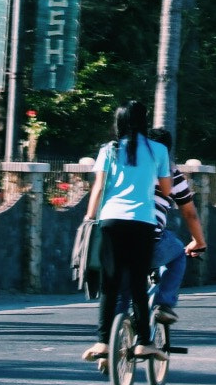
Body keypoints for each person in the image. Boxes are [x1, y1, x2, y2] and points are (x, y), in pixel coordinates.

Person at [81, 101, 171, 363]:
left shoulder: (108, 150)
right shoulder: (158, 150)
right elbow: (165, 191)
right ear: (144, 122)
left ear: (118, 122)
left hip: (110, 221)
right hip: (143, 222)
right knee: (137, 284)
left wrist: (89, 217)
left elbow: (98, 189)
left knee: (109, 284)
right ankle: (144, 343)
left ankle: (102, 343)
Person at [146, 128, 206, 324]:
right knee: (179, 252)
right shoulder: (170, 172)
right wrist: (198, 242)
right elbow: (189, 213)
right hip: (150, 238)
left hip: (117, 236)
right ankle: (164, 304)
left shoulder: (128, 164)